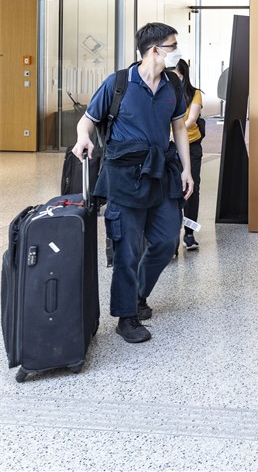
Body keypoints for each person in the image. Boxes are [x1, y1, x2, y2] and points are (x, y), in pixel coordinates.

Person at [72, 22, 194, 344]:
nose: (177, 52)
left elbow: (179, 128)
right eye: (173, 46)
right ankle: (127, 316)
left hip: (160, 172)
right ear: (155, 50)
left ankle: (138, 295)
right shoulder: (119, 83)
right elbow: (88, 119)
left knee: (167, 239)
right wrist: (83, 138)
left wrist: (187, 169)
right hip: (125, 176)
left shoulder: (171, 85)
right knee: (126, 248)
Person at [170, 58, 204, 252]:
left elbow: (191, 120)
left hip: (191, 145)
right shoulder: (163, 93)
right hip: (168, 147)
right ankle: (172, 236)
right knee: (171, 190)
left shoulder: (194, 94)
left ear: (184, 75)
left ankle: (189, 234)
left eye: (177, 75)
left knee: (192, 189)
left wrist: (175, 133)